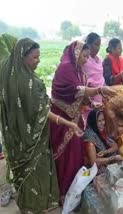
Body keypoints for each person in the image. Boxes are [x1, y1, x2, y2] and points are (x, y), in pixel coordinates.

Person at [0, 38, 83, 213]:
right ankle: (38, 207)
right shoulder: (33, 83)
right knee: (37, 171)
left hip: (16, 139)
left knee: (24, 173)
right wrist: (69, 123)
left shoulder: (7, 76)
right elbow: (45, 113)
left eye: (39, 57)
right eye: (35, 58)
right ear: (22, 57)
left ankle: (27, 206)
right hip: (35, 140)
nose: (38, 61)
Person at [50, 40, 115, 203]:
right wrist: (99, 90)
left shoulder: (78, 71)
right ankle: (64, 193)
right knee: (65, 157)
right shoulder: (65, 69)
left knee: (76, 155)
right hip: (62, 122)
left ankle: (75, 189)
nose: (86, 59)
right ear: (76, 53)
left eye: (87, 57)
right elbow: (77, 91)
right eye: (84, 56)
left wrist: (92, 103)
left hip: (75, 120)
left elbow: (81, 96)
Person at [83, 109, 122, 174]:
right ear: (93, 122)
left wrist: (105, 152)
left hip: (105, 163)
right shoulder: (89, 138)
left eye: (103, 120)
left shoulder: (100, 131)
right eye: (99, 121)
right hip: (94, 170)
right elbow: (93, 162)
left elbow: (115, 146)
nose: (103, 123)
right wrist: (112, 158)